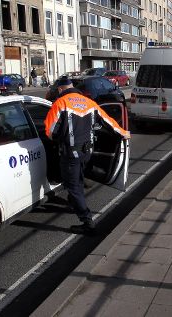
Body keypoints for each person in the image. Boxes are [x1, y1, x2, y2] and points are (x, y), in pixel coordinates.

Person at [44, 77, 130, 234]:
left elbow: (50, 131)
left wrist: (59, 138)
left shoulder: (60, 104)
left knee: (73, 185)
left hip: (71, 153)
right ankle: (74, 202)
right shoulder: (89, 102)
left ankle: (87, 221)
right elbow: (108, 122)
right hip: (87, 152)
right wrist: (124, 133)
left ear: (61, 89)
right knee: (79, 178)